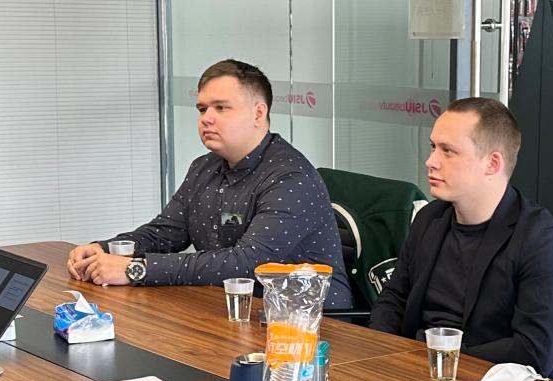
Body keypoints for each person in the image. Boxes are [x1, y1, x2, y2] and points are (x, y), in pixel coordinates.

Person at [67, 58, 353, 307]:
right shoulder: (204, 167)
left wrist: (136, 269)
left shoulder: (290, 177)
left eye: (221, 108)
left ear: (258, 113)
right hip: (230, 309)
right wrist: (102, 249)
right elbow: (165, 234)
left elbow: (248, 263)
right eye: (202, 109)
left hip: (309, 324)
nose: (207, 119)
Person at [369, 98, 553, 379]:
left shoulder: (542, 241)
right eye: (433, 147)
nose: (431, 161)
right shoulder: (430, 218)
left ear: (492, 163)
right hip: (418, 372)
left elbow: (534, 351)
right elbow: (393, 299)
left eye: (448, 151)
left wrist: (437, 359)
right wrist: (381, 354)